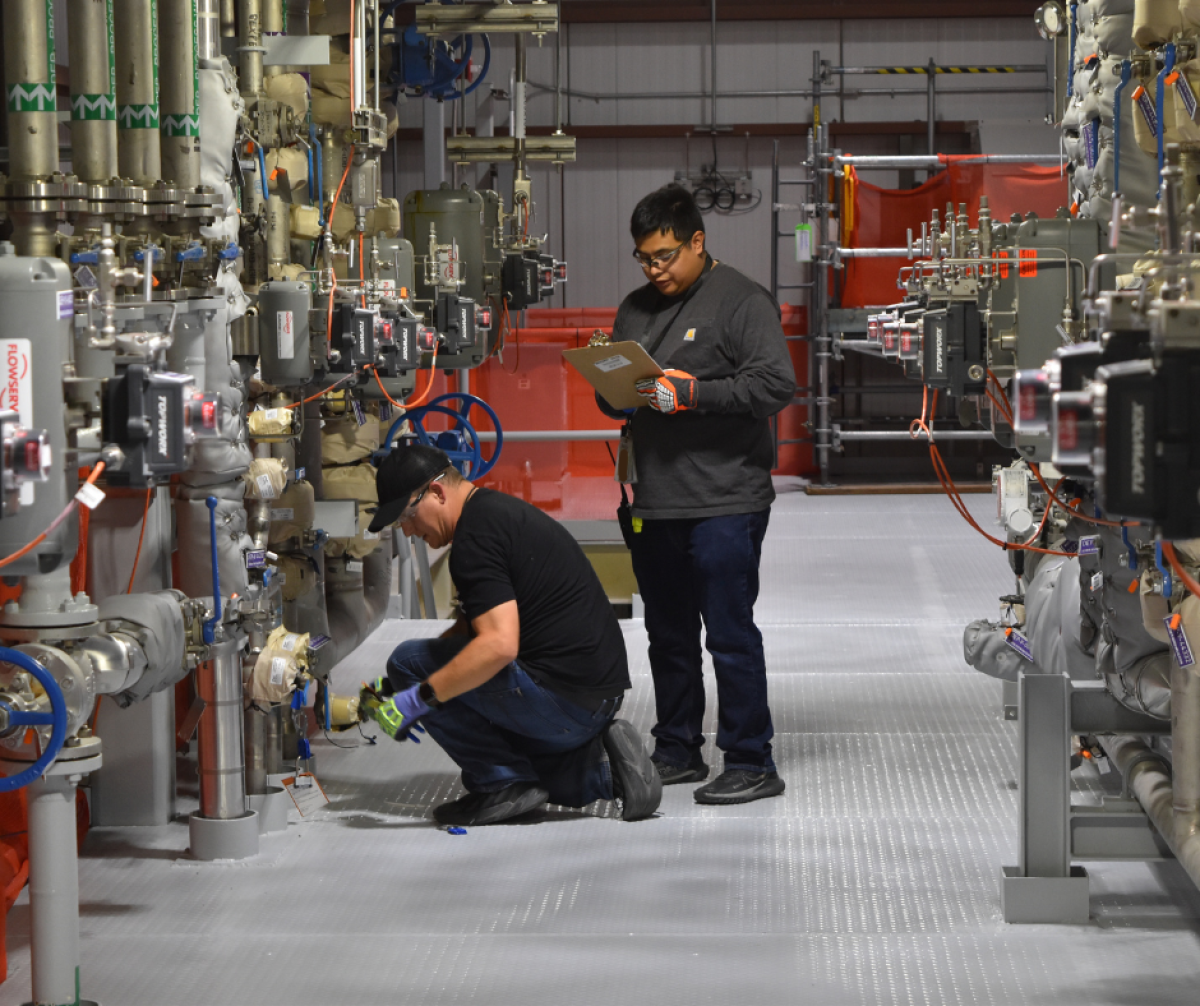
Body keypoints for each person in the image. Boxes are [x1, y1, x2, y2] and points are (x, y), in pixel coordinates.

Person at [595, 183, 796, 805]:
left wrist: (693, 393)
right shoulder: (635, 309)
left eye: (665, 256)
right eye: (644, 259)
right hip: (657, 498)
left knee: (729, 634)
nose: (655, 270)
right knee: (668, 634)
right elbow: (615, 402)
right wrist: (609, 383)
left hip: (725, 499)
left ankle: (750, 759)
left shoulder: (741, 300)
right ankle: (678, 747)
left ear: (697, 242)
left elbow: (774, 385)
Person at [361, 443, 662, 826]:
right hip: (596, 695)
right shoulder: (495, 514)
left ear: (436, 492)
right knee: (506, 765)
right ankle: (606, 771)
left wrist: (418, 697)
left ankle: (502, 782)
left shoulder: (473, 541)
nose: (408, 530)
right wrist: (408, 686)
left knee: (406, 662)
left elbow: (498, 645)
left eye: (407, 515)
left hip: (564, 701)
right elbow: (469, 631)